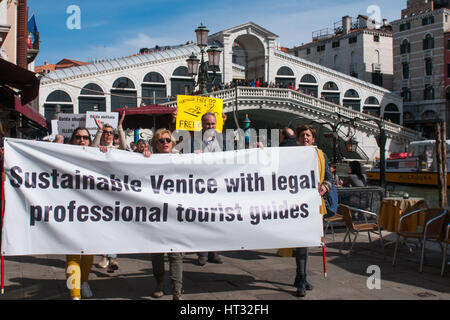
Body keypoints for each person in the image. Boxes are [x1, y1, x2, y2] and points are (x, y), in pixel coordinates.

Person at [294, 125, 334, 297]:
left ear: (313, 139)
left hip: (315, 204)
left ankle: (300, 276)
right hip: (297, 204)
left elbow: (329, 178)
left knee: (307, 241)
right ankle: (301, 277)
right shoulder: (292, 156)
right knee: (303, 241)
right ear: (298, 139)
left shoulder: (321, 155)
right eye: (302, 135)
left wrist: (325, 187)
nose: (305, 138)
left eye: (308, 135)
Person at [149, 128, 184, 300]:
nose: (165, 143)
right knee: (157, 253)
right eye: (161, 141)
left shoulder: (181, 159)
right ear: (155, 144)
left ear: (173, 142)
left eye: (168, 140)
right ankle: (159, 282)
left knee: (176, 254)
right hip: (155, 213)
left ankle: (177, 289)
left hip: (175, 213)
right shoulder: (147, 160)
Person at [92, 110, 128, 272]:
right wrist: (99, 130)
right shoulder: (96, 150)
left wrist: (120, 128)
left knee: (114, 225)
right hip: (98, 192)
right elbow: (92, 147)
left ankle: (111, 257)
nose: (107, 135)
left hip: (115, 192)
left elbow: (126, 147)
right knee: (102, 225)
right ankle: (106, 256)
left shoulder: (117, 149)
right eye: (105, 133)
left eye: (109, 133)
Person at [66, 127, 95, 300]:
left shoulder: (95, 156)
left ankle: (83, 281)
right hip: (69, 211)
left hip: (91, 212)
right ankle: (74, 293)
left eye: (85, 137)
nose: (81, 140)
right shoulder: (64, 155)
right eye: (78, 137)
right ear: (72, 140)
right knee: (72, 254)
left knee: (88, 252)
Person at [193, 112, 225, 265]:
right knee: (202, 220)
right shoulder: (193, 141)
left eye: (213, 124)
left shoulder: (221, 139)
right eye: (208, 124)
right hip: (200, 186)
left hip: (217, 185)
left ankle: (214, 252)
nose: (211, 126)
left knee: (216, 220)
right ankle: (202, 253)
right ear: (202, 124)